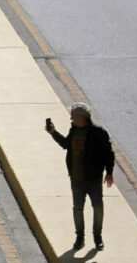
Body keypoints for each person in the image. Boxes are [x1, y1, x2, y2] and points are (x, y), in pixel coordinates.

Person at [46, 103, 114, 251]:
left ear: (82, 118)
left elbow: (108, 153)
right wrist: (53, 132)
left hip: (93, 180)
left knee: (98, 208)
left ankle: (97, 237)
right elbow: (66, 144)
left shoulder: (98, 133)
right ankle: (80, 238)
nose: (70, 117)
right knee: (77, 209)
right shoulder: (74, 129)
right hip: (76, 179)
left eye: (73, 115)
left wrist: (109, 172)